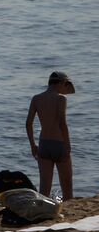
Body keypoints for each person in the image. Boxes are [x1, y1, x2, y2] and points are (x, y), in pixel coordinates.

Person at [27, 71, 76, 200]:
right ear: (60, 83)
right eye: (65, 84)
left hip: (44, 144)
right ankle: (68, 214)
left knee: (44, 189)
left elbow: (28, 123)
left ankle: (43, 213)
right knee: (67, 187)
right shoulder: (61, 98)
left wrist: (33, 145)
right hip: (59, 143)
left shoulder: (36, 98)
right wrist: (67, 144)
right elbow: (62, 123)